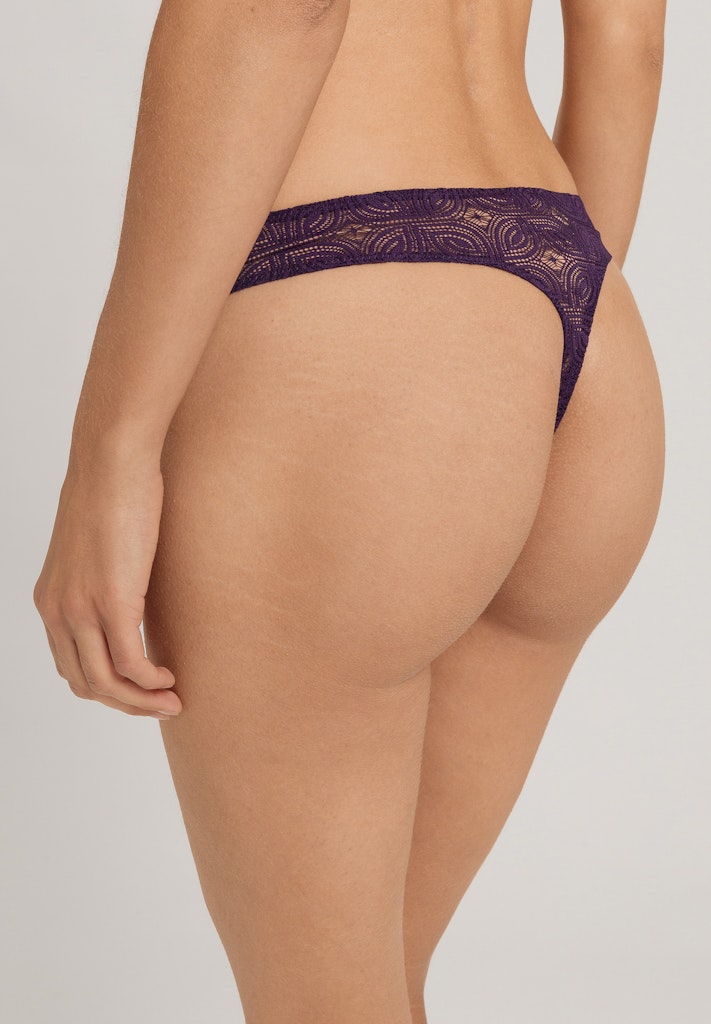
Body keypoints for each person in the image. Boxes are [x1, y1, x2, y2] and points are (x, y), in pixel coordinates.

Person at [32, 0, 666, 1020]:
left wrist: (112, 449)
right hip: (571, 296)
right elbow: (630, 36)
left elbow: (279, 10)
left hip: (354, 294)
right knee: (374, 992)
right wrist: (529, 350)